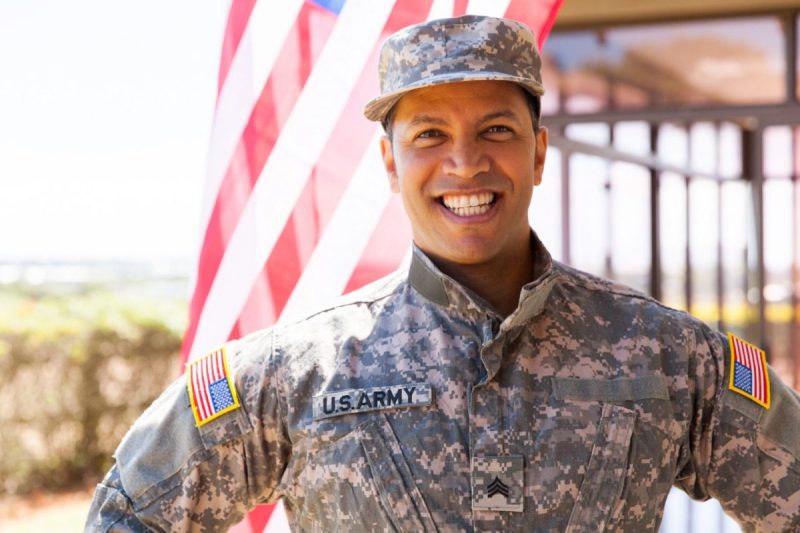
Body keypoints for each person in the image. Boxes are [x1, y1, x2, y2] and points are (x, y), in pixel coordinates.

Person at [85, 14, 800, 532]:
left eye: (496, 129)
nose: (465, 163)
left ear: (539, 153)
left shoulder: (671, 357)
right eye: (429, 134)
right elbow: (126, 517)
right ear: (390, 163)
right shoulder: (291, 371)